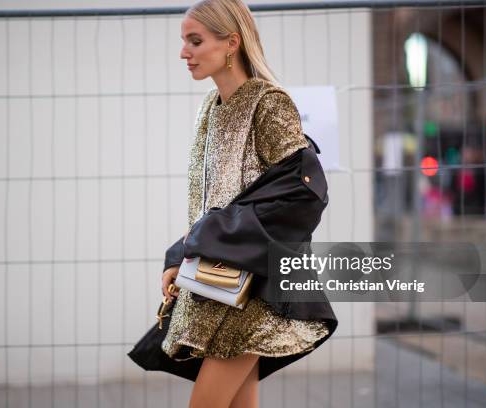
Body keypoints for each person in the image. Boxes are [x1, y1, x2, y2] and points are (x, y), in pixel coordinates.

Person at [161, 1, 332, 407]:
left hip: (255, 288)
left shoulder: (268, 103)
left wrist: (206, 239)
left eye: (195, 40)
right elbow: (214, 204)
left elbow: (302, 196)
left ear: (231, 42)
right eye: (184, 41)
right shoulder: (210, 108)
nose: (184, 52)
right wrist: (180, 252)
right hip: (219, 282)